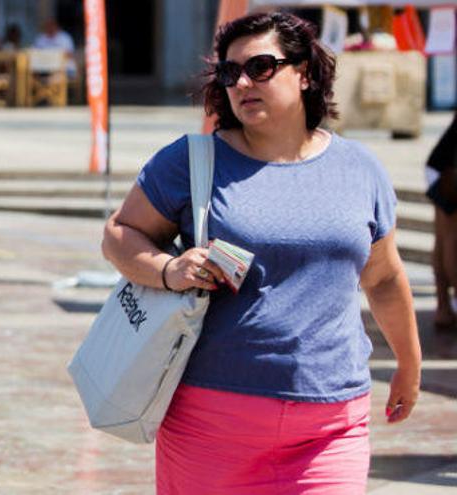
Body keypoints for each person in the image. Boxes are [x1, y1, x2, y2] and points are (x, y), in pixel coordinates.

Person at [102, 12, 421, 494]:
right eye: (230, 73)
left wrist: (410, 365)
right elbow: (119, 234)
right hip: (210, 424)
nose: (243, 82)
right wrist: (169, 269)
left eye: (261, 67)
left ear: (306, 72)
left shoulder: (360, 169)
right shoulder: (191, 161)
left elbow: (382, 279)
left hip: (330, 427)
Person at [425, 111, 457, 331]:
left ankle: (443, 309)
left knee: (443, 241)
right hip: (448, 174)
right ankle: (443, 308)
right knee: (450, 241)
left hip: (441, 169)